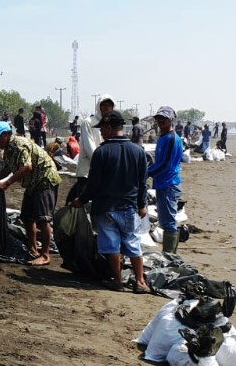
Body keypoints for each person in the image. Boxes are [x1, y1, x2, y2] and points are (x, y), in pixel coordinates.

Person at [71, 110, 150, 293]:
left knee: (111, 245)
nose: (101, 133)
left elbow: (93, 184)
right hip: (129, 207)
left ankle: (118, 281)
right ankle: (140, 281)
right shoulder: (138, 151)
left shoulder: (101, 152)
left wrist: (81, 200)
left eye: (102, 130)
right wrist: (142, 204)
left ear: (108, 128)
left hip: (106, 208)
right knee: (132, 243)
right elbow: (142, 182)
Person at [0, 122, 61, 266]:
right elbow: (7, 169)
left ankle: (45, 255)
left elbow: (27, 167)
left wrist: (6, 184)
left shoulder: (19, 144)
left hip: (44, 179)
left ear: (6, 135)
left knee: (43, 218)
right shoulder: (7, 149)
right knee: (27, 216)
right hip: (32, 183)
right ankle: (32, 249)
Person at [146, 107, 184, 253]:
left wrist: (147, 172)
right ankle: (169, 254)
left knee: (168, 223)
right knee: (165, 221)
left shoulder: (171, 139)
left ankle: (169, 256)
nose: (160, 121)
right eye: (158, 118)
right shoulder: (162, 137)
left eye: (164, 118)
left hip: (169, 184)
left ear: (171, 120)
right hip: (163, 183)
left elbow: (165, 164)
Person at [68, 94, 115, 204]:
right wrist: (103, 165)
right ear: (99, 106)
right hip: (87, 173)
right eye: (104, 105)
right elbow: (90, 148)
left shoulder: (113, 124)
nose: (107, 108)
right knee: (85, 207)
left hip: (104, 173)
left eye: (109, 105)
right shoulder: (89, 122)